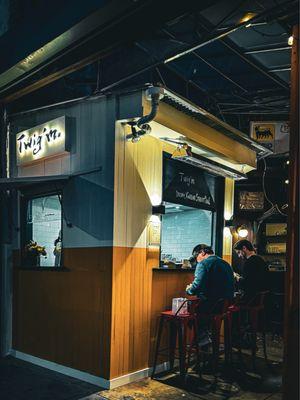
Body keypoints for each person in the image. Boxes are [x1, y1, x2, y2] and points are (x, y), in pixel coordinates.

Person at [186, 244, 234, 345]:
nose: (196, 260)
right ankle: (205, 337)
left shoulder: (203, 264)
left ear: (202, 252)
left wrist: (189, 290)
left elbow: (197, 287)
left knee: (189, 311)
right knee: (198, 310)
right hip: (225, 305)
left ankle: (202, 341)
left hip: (212, 307)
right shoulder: (226, 263)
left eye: (196, 257)